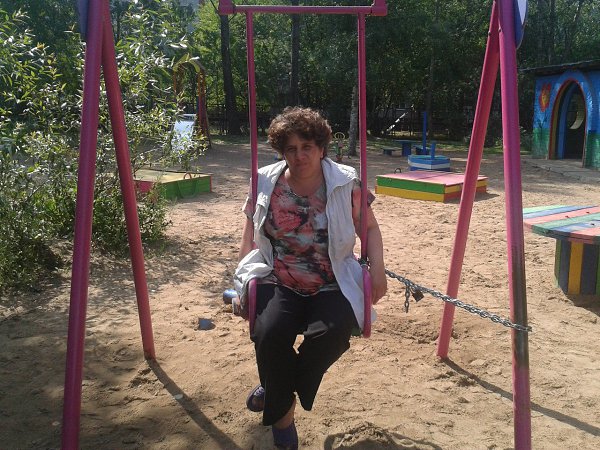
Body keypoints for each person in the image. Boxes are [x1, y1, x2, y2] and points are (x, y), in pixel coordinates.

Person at [234, 106, 387, 449]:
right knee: (269, 333)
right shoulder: (264, 183)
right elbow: (249, 236)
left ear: (321, 148)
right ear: (281, 151)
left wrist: (377, 269)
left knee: (333, 333)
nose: (299, 156)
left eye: (307, 147)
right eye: (290, 148)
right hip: (279, 277)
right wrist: (241, 281)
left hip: (332, 279)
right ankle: (283, 421)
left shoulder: (345, 183)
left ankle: (276, 389)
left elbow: (370, 230)